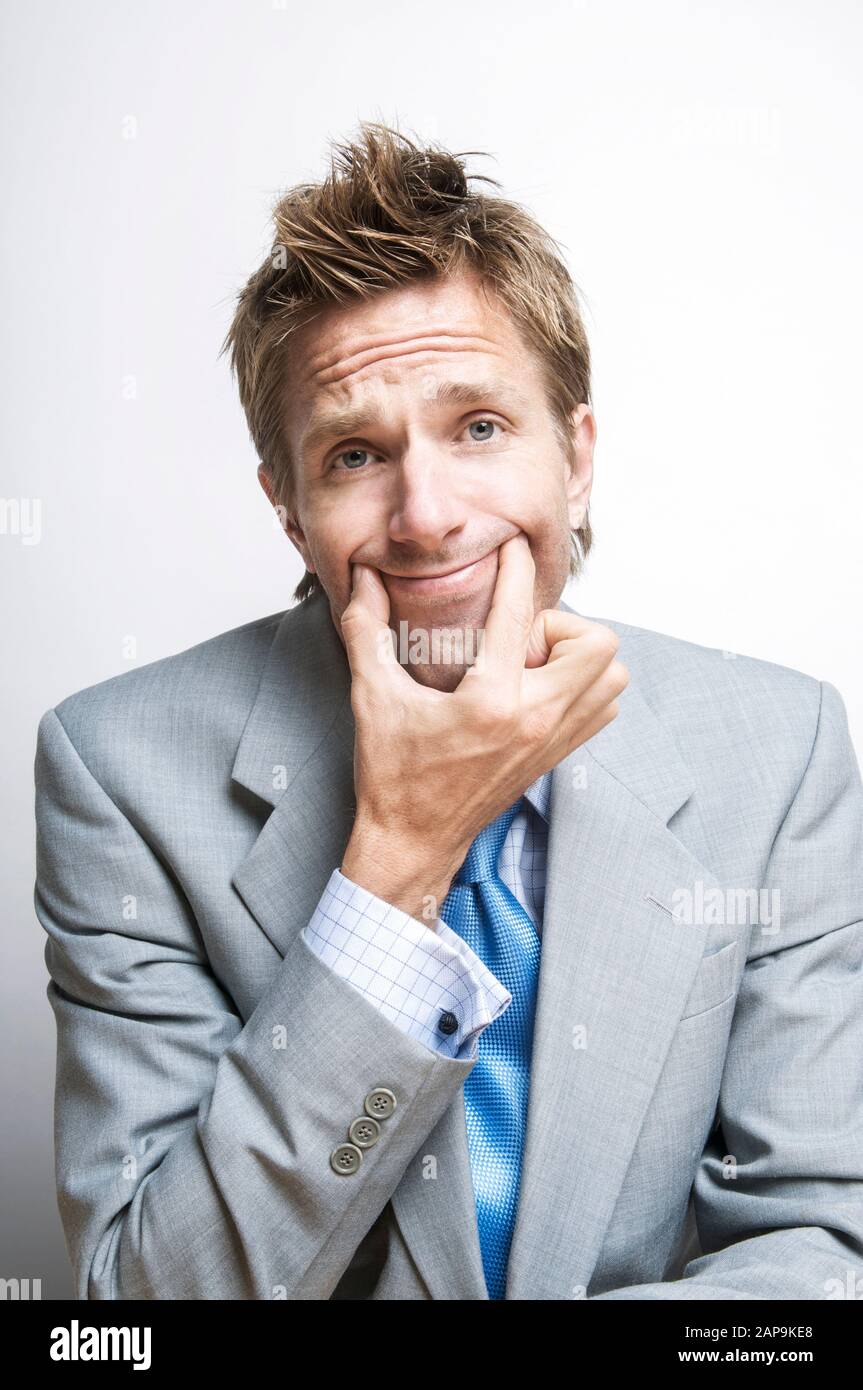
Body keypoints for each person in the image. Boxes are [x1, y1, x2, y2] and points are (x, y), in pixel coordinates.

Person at [34, 122, 863, 1301]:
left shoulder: (778, 752)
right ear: (287, 509)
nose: (425, 514)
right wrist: (397, 867)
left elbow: (814, 1257)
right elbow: (144, 1303)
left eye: (479, 427)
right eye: (355, 454)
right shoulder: (115, 770)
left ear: (574, 456)